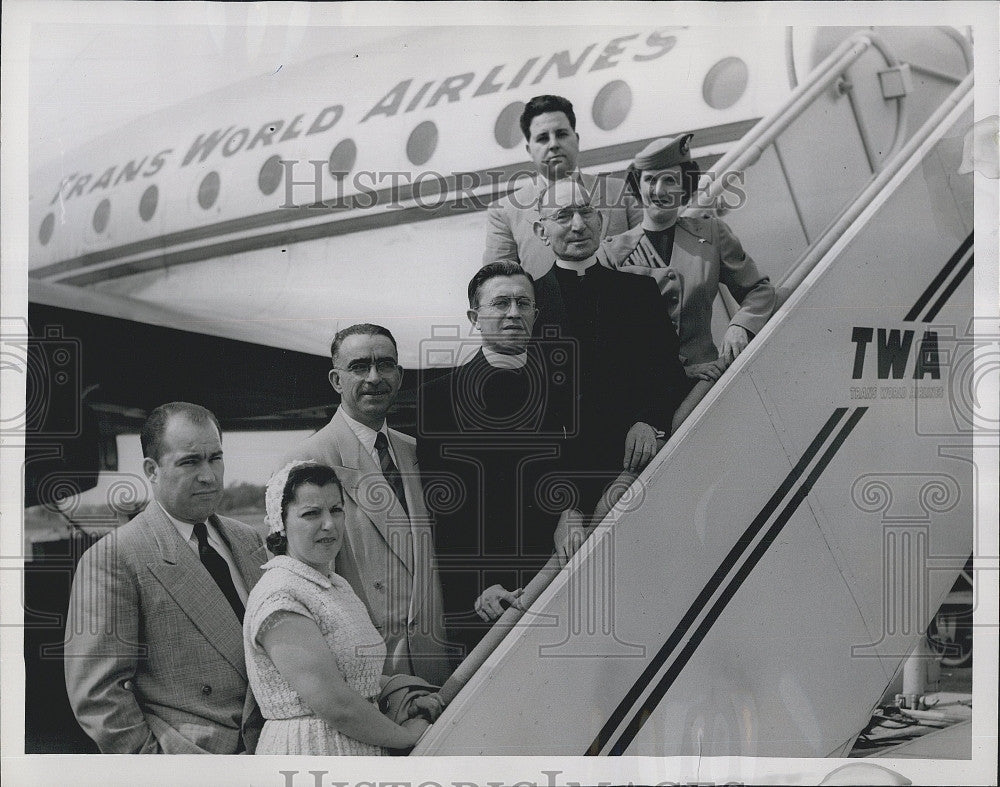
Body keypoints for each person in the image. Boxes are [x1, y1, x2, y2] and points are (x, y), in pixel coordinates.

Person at [64, 402, 267, 754]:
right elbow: (98, 697)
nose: (209, 475)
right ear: (151, 470)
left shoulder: (247, 540)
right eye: (190, 461)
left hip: (273, 750)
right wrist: (159, 767)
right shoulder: (114, 558)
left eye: (215, 458)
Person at [274, 324, 452, 684]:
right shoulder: (305, 462)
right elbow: (301, 587)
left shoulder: (416, 450)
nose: (374, 377)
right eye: (359, 367)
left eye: (385, 365)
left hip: (434, 663)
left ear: (400, 376)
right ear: (336, 380)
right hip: (369, 669)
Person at [417, 261, 574, 655]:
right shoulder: (438, 397)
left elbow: (581, 466)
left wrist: (573, 508)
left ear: (536, 315)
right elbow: (446, 507)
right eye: (500, 303)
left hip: (565, 575)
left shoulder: (566, 388)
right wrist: (480, 585)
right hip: (490, 600)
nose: (513, 313)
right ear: (475, 317)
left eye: (523, 304)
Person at [245, 461, 435, 755]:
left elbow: (355, 676)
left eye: (336, 509)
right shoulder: (280, 595)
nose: (329, 524)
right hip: (309, 755)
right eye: (311, 514)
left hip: (358, 748)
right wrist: (405, 736)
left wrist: (403, 698)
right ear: (281, 523)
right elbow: (335, 704)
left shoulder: (334, 585)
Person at [531, 176, 691, 513]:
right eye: (563, 216)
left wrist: (649, 420)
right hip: (567, 485)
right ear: (541, 231)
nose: (578, 225)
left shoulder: (640, 292)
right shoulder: (530, 305)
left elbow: (669, 372)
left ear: (601, 221)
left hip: (639, 464)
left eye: (586, 213)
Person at [603, 134, 775, 380]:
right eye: (650, 180)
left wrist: (741, 324)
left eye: (670, 180)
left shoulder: (713, 234)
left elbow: (758, 289)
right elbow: (610, 339)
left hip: (706, 386)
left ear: (685, 186)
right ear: (637, 186)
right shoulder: (611, 254)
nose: (659, 190)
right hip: (646, 393)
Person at [483, 94, 642, 281]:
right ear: (529, 150)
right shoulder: (505, 212)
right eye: (543, 138)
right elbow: (497, 285)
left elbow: (649, 260)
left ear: (576, 139)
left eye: (561, 134)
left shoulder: (620, 192)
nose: (554, 145)